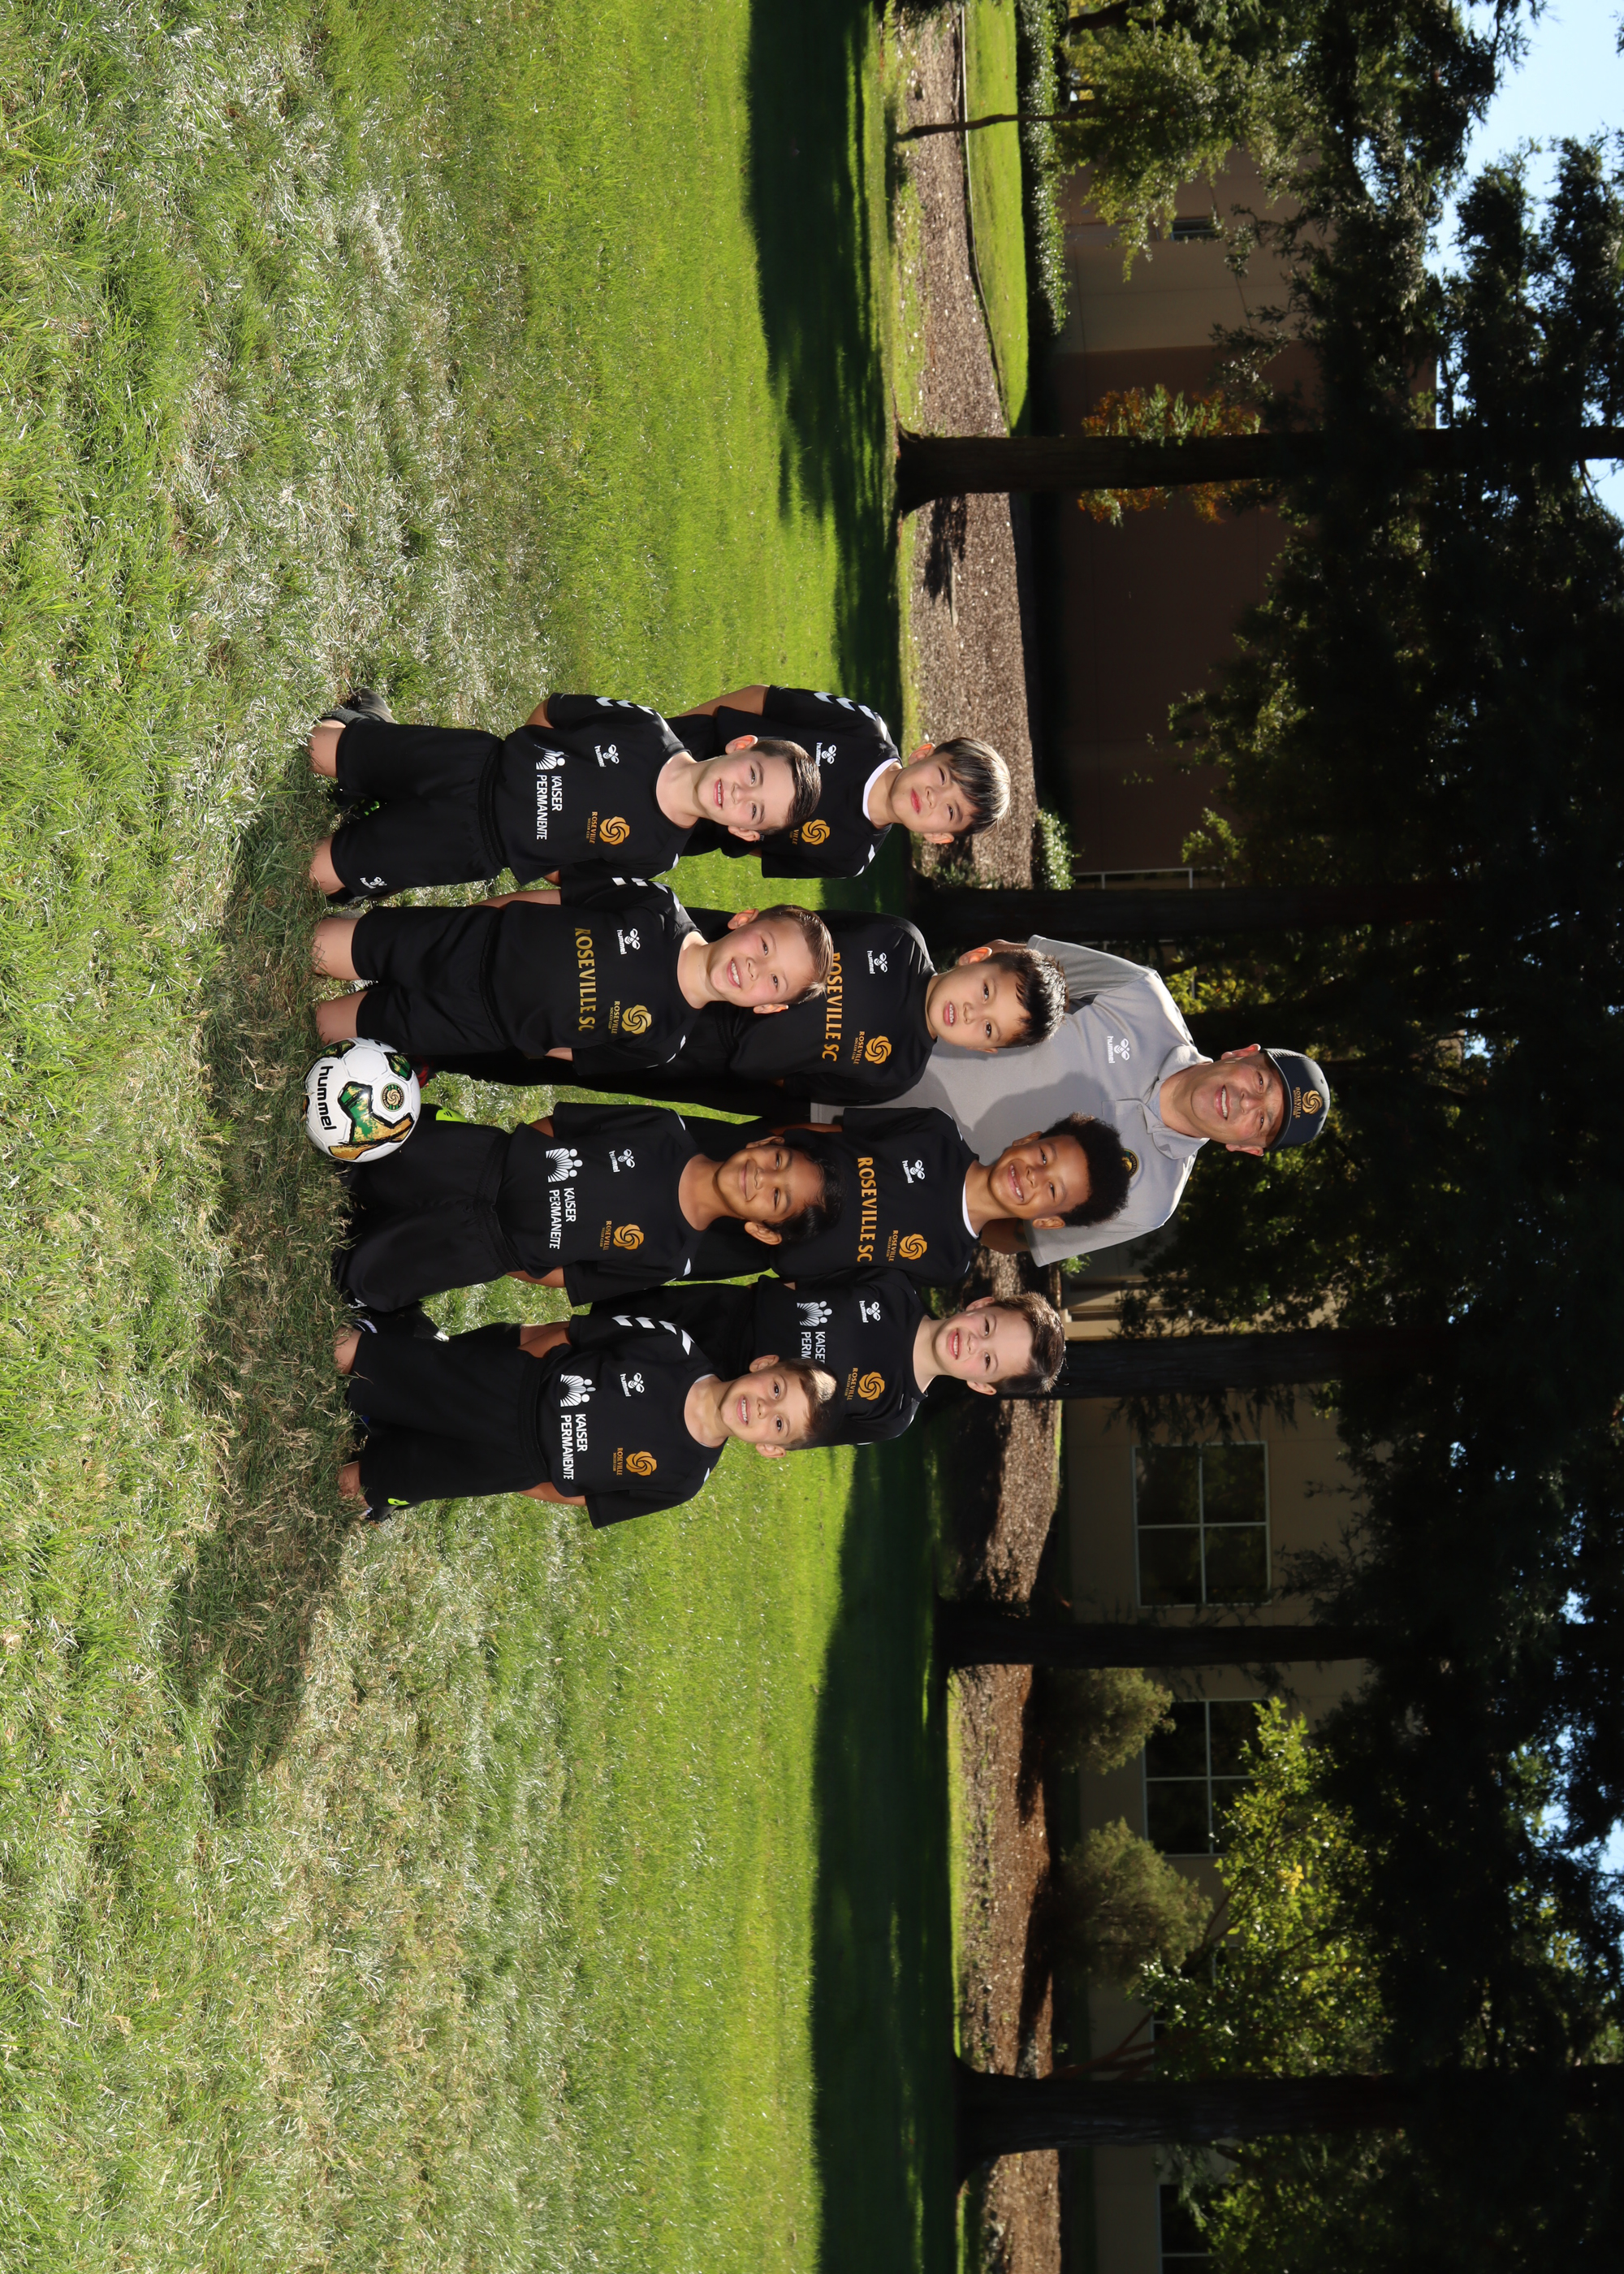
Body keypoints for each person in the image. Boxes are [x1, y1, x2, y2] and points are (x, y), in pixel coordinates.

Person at [888, 935, 1333, 1266]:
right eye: (1259, 1081)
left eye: (1262, 1121)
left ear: (1247, 1147)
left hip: (884, 1164)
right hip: (876, 1055)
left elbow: (1017, 1233)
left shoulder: (1151, 1202)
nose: (1245, 1101)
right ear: (1243, 1053)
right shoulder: (1139, 994)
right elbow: (1007, 961)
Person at [415, 912, 1069, 1118]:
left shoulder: (896, 1072)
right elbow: (802, 931)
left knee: (567, 1056)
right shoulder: (898, 941)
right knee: (575, 984)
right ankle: (444, 961)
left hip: (704, 1055)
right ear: (978, 958)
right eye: (987, 989)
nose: (971, 1011)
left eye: (988, 1027)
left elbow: (794, 1087)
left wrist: (715, 1072)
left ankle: (442, 1050)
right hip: (711, 973)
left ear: (984, 1049)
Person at [335, 1310, 840, 1526]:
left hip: (514, 1463)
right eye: (777, 1390)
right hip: (509, 1387)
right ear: (763, 1365)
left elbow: (585, 1498)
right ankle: (372, 1356)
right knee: (360, 1360)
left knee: (358, 1487)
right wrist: (518, 1371)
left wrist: (521, 1477)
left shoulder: (684, 1479)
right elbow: (572, 1335)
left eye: (779, 1425)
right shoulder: (673, 1346)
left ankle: (379, 1459)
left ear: (770, 1448)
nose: (765, 1409)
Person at [306, 691, 821, 901]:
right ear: (741, 745)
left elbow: (567, 876)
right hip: (468, 763)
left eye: (754, 809)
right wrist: (523, 764)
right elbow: (553, 713)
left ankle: (377, 862)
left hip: (471, 846)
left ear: (744, 831)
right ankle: (370, 738)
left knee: (316, 875)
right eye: (753, 774)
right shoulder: (647, 729)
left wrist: (532, 835)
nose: (739, 793)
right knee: (314, 746)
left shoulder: (656, 855)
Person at [335, 1100, 841, 1312]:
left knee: (357, 1272)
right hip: (479, 1162)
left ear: (763, 1231)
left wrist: (510, 1253)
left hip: (485, 1246)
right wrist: (518, 1161)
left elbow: (574, 1277)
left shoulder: (670, 1257)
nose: (762, 1178)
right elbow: (565, 1126)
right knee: (359, 1158)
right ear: (764, 1143)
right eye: (778, 1161)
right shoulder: (665, 1130)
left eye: (777, 1197)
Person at [309, 877, 832, 1071]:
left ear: (767, 1006)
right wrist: (472, 921)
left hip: (475, 1024)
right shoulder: (658, 907)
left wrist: (517, 1031)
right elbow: (554, 899)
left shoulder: (663, 1043)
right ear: (745, 920)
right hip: (471, 944)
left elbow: (570, 1051)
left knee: (327, 1027)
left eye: (774, 982)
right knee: (321, 947)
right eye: (765, 945)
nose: (756, 968)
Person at [688, 1105, 1133, 1287]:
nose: (1034, 1175)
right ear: (1029, 1138)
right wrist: (744, 1145)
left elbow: (844, 1284)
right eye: (1045, 1155)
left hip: (743, 1250)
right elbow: (826, 1132)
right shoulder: (936, 1131)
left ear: (1050, 1221)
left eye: (1053, 1189)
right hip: (737, 1165)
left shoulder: (946, 1264)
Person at [598, 1276, 1065, 1445]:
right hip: (718, 1316)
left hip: (718, 1398)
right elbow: (800, 1280)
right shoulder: (893, 1285)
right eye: (988, 1327)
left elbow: (799, 1432)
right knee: (601, 1325)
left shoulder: (891, 1416)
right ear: (982, 1305)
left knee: (611, 1396)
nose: (974, 1344)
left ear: (982, 1386)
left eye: (988, 1361)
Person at [670, 684, 1009, 878]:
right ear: (923, 754)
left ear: (939, 836)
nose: (934, 796)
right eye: (942, 776)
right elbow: (762, 700)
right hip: (686, 749)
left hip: (683, 831)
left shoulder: (851, 857)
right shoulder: (865, 729)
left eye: (950, 810)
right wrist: (670, 733)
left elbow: (763, 848)